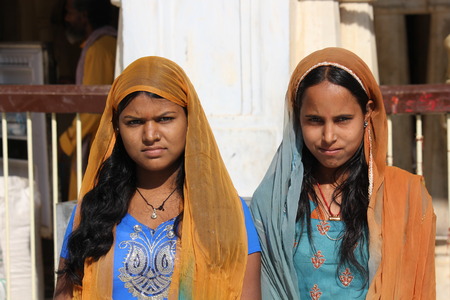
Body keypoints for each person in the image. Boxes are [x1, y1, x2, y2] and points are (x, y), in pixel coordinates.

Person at [54, 56, 261, 299]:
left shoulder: (225, 212)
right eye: (134, 122)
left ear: (188, 122)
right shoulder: (94, 210)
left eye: (165, 119)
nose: (150, 135)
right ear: (118, 129)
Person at [250, 47, 436, 299]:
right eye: (314, 120)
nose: (328, 137)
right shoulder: (273, 201)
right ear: (298, 117)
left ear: (367, 113)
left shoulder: (405, 197)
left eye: (342, 119)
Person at [59, 0, 117, 201]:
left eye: (70, 12)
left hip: (96, 145)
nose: (67, 18)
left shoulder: (100, 48)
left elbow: (92, 108)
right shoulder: (102, 44)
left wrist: (66, 141)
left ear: (84, 16)